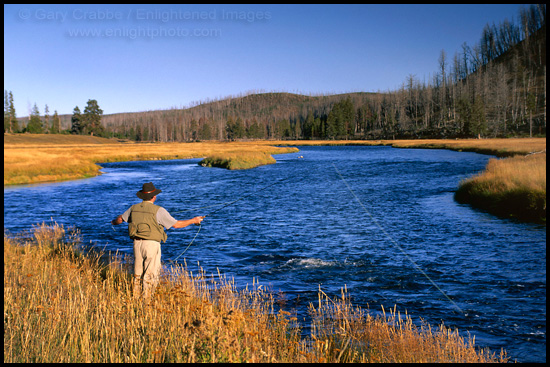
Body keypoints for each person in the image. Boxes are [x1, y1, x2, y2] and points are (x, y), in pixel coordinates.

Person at [111, 182, 204, 301]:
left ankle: (135, 299)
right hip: (151, 245)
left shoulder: (133, 208)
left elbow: (120, 219)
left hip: (137, 244)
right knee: (150, 274)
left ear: (141, 196)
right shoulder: (159, 210)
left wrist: (113, 222)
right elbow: (176, 225)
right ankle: (146, 302)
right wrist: (193, 220)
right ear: (154, 196)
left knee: (137, 274)